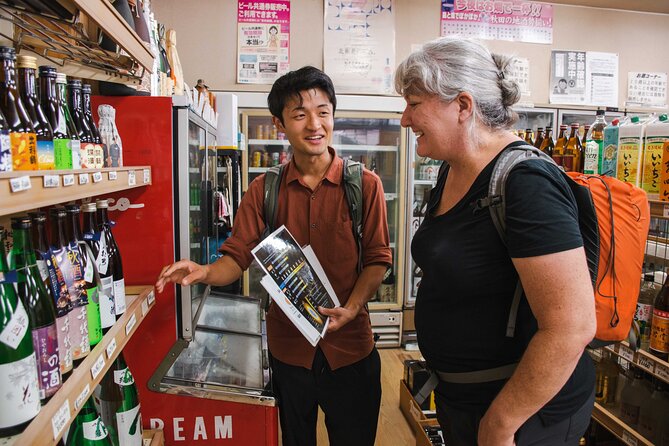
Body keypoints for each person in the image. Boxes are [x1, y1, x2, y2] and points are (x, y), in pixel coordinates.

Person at [156, 66, 392, 446]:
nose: (315, 124)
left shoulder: (364, 185)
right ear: (280, 123)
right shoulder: (264, 189)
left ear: (334, 114)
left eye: (323, 111)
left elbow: (378, 259)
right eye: (300, 114)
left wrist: (352, 306)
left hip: (351, 348)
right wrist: (203, 272)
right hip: (289, 351)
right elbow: (237, 257)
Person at [395, 37, 596, 446]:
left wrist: (502, 422)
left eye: (414, 104)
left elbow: (570, 327)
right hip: (464, 401)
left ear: (463, 107)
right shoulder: (450, 172)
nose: (403, 119)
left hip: (523, 416)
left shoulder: (527, 184)